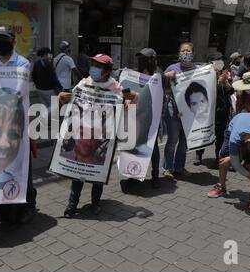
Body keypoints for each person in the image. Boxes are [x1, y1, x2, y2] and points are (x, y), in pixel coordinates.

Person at [58, 54, 138, 218]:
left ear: (107, 70)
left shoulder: (115, 87)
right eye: (93, 64)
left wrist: (132, 97)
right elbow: (71, 99)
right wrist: (62, 98)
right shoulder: (84, 82)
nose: (94, 69)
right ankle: (72, 205)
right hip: (82, 134)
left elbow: (131, 101)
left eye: (98, 66)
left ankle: (95, 203)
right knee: (77, 173)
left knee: (97, 172)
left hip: (102, 137)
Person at [0, 26, 37, 225]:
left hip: (17, 122)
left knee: (22, 164)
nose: (0, 43)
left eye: (4, 39)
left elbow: (24, 94)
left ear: (13, 42)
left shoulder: (23, 63)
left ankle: (29, 204)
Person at [207, 112, 250, 212]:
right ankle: (222, 186)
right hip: (236, 124)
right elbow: (236, 166)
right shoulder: (234, 139)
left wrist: (247, 161)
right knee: (223, 158)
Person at [120, 48, 162, 189]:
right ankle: (133, 176)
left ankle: (155, 176)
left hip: (150, 119)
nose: (142, 62)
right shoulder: (132, 74)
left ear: (152, 60)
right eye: (140, 59)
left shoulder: (158, 75)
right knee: (133, 146)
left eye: (145, 59)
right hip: (134, 118)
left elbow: (161, 96)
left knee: (153, 147)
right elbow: (124, 91)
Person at [162, 42, 196, 180]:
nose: (186, 53)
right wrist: (166, 77)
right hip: (173, 109)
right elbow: (161, 84)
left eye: (188, 51)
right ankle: (167, 168)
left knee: (184, 143)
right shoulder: (172, 68)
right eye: (183, 51)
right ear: (179, 53)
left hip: (190, 111)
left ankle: (179, 167)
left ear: (193, 54)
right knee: (172, 140)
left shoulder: (198, 70)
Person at [194, 52, 234, 166]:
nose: (220, 62)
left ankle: (218, 156)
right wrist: (217, 82)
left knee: (220, 135)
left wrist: (225, 82)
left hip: (222, 110)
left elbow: (231, 91)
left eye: (222, 60)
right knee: (204, 132)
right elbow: (205, 92)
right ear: (210, 62)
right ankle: (199, 155)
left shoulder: (225, 73)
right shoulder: (204, 75)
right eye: (218, 60)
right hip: (207, 110)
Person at [31, 47, 62, 128]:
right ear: (46, 54)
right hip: (49, 89)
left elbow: (33, 75)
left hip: (39, 89)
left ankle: (47, 124)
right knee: (54, 106)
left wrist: (37, 84)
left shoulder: (37, 63)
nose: (50, 55)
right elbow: (53, 77)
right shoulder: (47, 63)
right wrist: (60, 86)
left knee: (45, 105)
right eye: (49, 53)